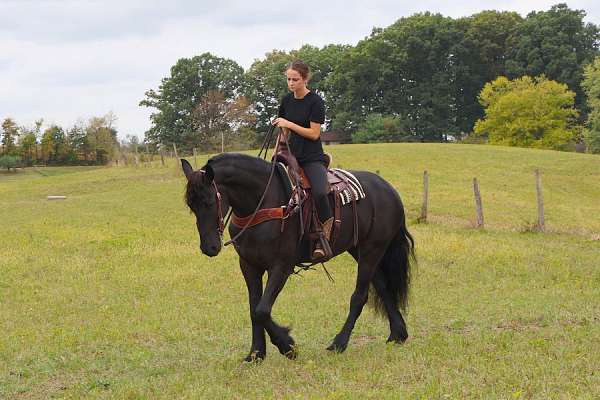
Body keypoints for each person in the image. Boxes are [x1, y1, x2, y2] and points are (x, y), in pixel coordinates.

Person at [273, 60, 333, 260]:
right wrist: (278, 148)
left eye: (295, 79)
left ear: (305, 79)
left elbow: (314, 134)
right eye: (288, 79)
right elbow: (283, 131)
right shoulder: (286, 101)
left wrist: (289, 123)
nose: (291, 83)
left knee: (320, 192)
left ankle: (324, 234)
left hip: (311, 157)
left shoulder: (315, 102)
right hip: (290, 155)